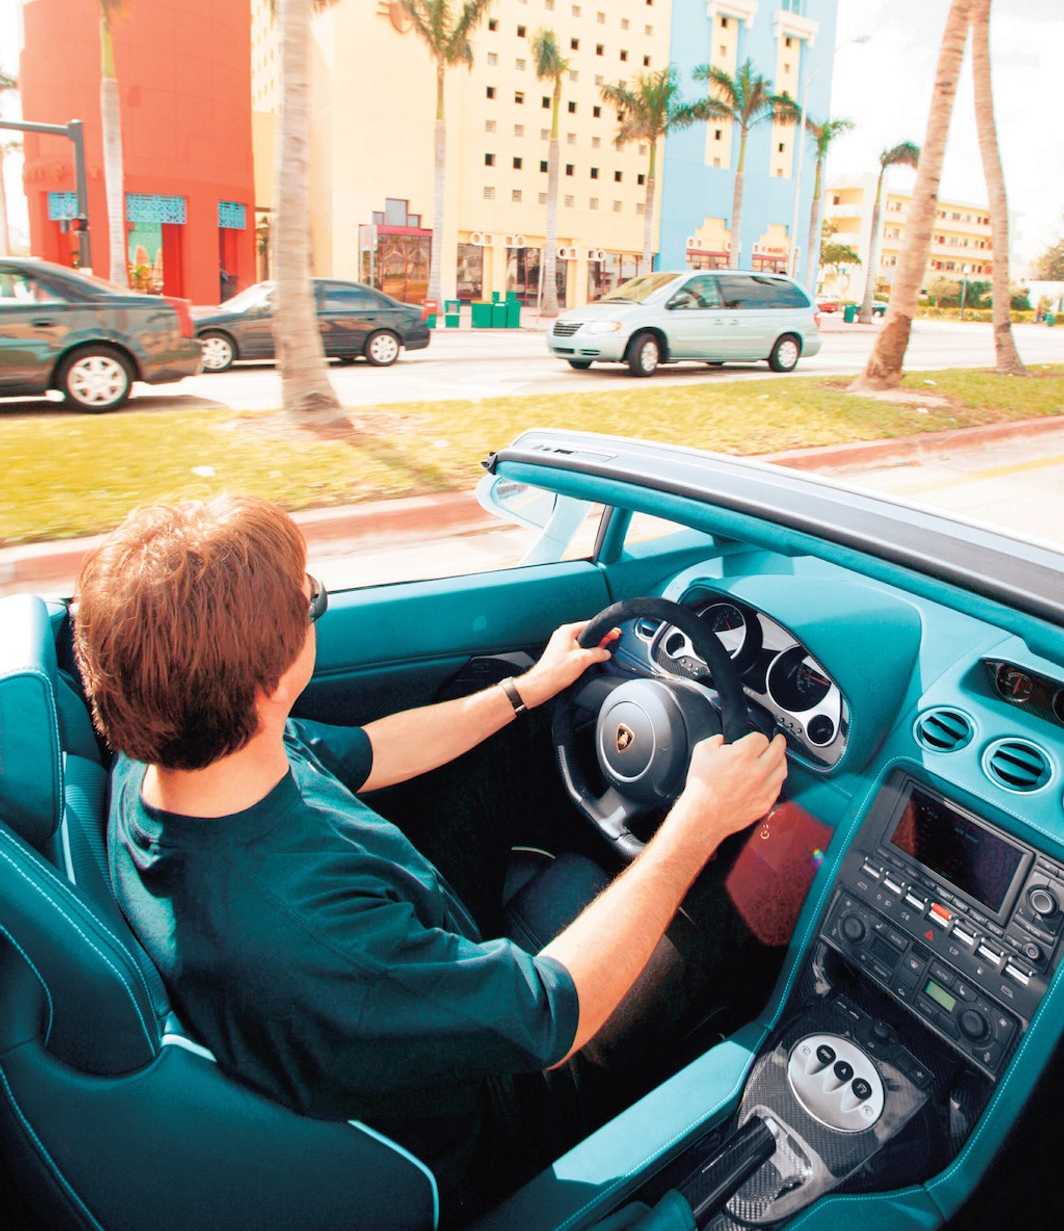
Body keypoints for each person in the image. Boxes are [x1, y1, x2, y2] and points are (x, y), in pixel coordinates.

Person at [75, 495, 787, 1219]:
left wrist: (523, 691)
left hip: (411, 952)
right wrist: (699, 820)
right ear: (266, 683)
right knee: (765, 858)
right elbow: (551, 1012)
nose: (315, 605)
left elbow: (375, 751)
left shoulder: (181, 752)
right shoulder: (300, 934)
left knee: (508, 721)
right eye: (311, 600)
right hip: (488, 1105)